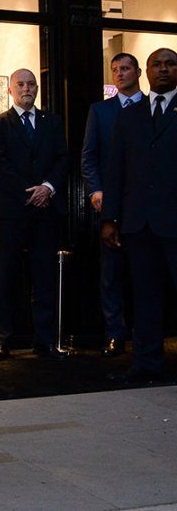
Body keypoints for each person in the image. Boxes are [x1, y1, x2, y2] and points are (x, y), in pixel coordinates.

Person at [102, 47, 177, 384]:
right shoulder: (130, 115)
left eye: (170, 64)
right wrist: (110, 218)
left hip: (174, 221)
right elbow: (115, 169)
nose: (163, 69)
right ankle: (147, 364)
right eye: (157, 65)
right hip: (138, 222)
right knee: (144, 297)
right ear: (146, 72)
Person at [0, 68, 69, 361]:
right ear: (10, 90)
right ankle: (2, 341)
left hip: (46, 212)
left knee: (44, 277)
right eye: (20, 84)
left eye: (31, 84)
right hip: (11, 212)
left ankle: (44, 342)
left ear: (37, 88)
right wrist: (31, 193)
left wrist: (48, 188)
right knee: (5, 277)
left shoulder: (53, 122)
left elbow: (62, 159)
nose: (26, 89)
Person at [81, 53, 142, 357]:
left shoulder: (153, 107)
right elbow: (89, 156)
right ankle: (115, 333)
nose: (119, 73)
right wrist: (96, 190)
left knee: (146, 272)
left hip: (146, 204)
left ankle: (146, 334)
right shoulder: (101, 110)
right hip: (111, 204)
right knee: (111, 273)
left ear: (138, 72)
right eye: (115, 69)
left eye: (125, 68)